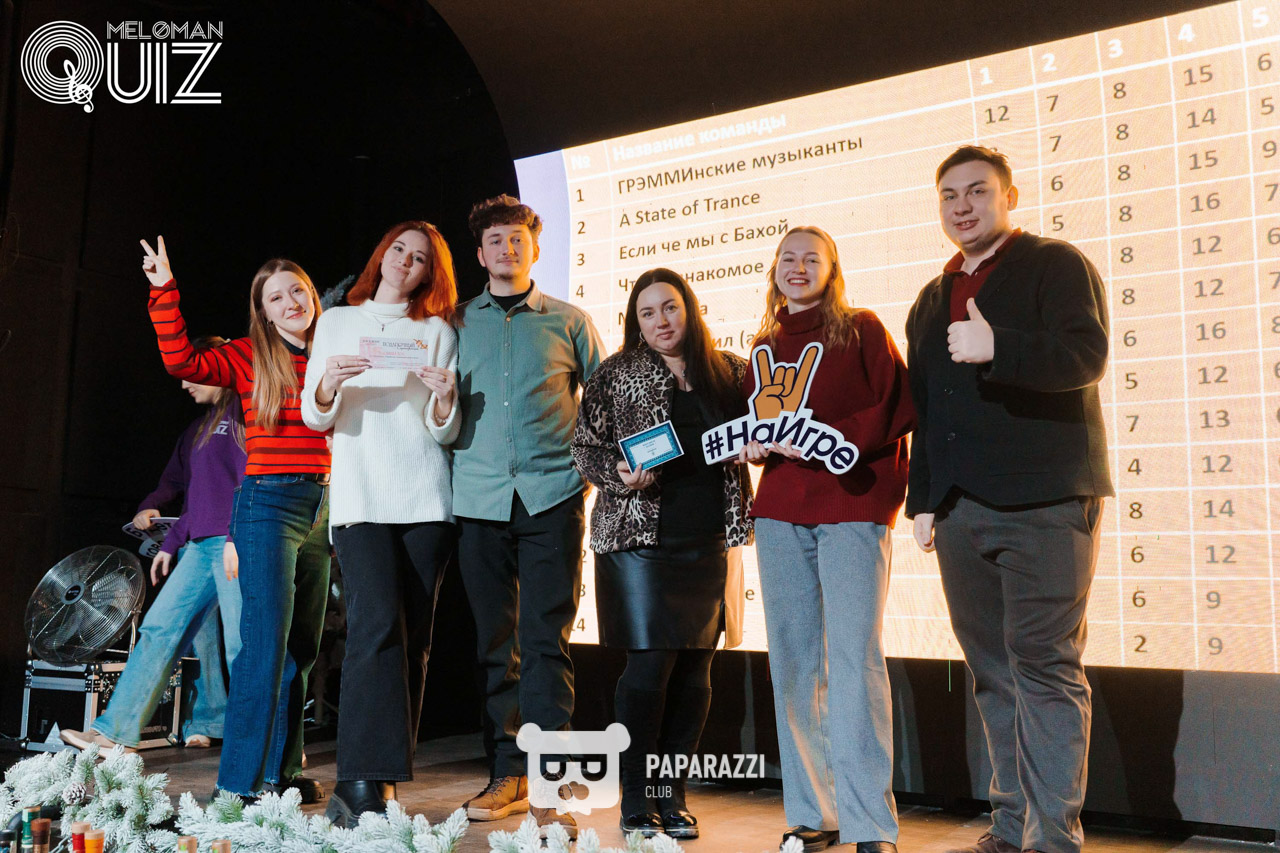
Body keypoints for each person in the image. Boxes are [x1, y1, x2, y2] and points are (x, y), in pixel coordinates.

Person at [905, 146, 1111, 853]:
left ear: (1010, 196)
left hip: (1046, 502)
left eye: (978, 191)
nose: (962, 206)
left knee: (1045, 667)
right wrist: (924, 498)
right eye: (949, 195)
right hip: (959, 509)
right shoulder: (930, 298)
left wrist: (1000, 346)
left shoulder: (1055, 264)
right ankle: (1009, 824)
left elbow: (1087, 356)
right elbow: (928, 408)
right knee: (992, 671)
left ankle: (1052, 839)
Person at [741, 226, 914, 853]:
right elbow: (760, 427)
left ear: (831, 270)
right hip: (780, 512)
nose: (798, 267)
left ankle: (870, 824)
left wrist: (820, 435)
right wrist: (757, 444)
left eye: (811, 258)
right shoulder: (763, 346)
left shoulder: (861, 329)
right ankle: (814, 814)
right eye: (787, 258)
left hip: (852, 507)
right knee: (793, 663)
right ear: (774, 270)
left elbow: (894, 407)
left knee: (854, 661)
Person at [141, 237, 331, 804]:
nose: (291, 302)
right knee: (263, 646)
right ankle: (236, 786)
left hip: (325, 505)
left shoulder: (334, 348)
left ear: (313, 295)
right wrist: (163, 290)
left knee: (300, 649)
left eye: (298, 290)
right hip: (268, 503)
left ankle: (281, 775)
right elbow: (182, 361)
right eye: (277, 297)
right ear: (264, 311)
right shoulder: (250, 355)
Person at [572, 268, 752, 839]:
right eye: (647, 313)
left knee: (696, 671)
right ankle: (637, 795)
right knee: (650, 667)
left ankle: (671, 795)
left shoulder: (730, 372)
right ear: (636, 322)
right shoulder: (614, 372)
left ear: (688, 308)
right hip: (639, 542)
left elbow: (762, 430)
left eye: (669, 307)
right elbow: (585, 449)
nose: (661, 321)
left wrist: (757, 445)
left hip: (709, 540)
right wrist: (618, 473)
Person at [452, 194, 603, 839]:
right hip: (477, 500)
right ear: (480, 253)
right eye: (496, 240)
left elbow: (605, 401)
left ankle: (550, 780)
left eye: (517, 238)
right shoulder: (455, 322)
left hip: (553, 497)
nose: (507, 248)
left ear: (534, 248)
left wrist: (592, 471)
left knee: (546, 642)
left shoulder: (569, 321)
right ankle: (508, 772)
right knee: (496, 646)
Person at [301, 221, 460, 826]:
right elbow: (316, 417)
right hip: (362, 499)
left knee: (413, 641)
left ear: (428, 275)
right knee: (375, 628)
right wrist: (329, 384)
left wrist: (444, 397)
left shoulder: (437, 332)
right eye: (398, 249)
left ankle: (386, 779)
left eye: (419, 259)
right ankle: (358, 780)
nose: (405, 262)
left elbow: (445, 429)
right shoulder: (339, 322)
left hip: (425, 500)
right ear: (381, 254)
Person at [61, 339, 247, 752]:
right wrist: (170, 540)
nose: (184, 385)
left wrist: (237, 537)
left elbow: (250, 484)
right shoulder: (198, 429)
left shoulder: (245, 414)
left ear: (218, 369)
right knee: (159, 629)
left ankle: (267, 745)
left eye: (191, 374)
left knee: (242, 645)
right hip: (198, 547)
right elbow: (195, 494)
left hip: (235, 544)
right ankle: (114, 734)